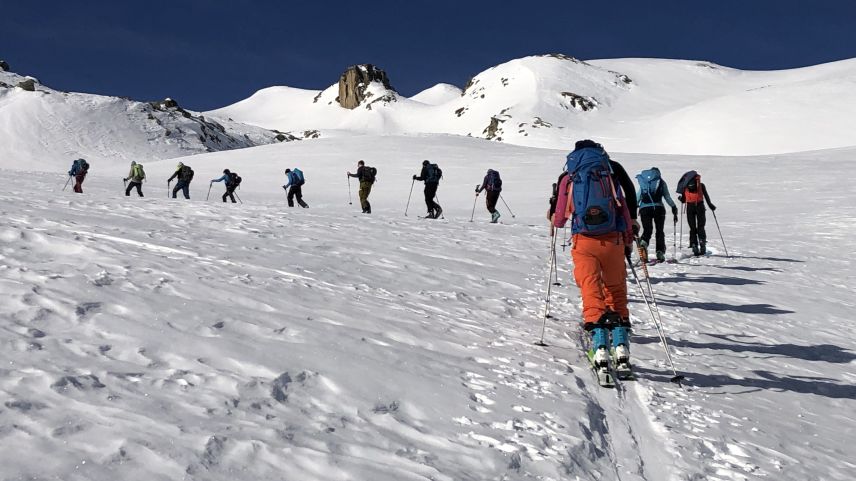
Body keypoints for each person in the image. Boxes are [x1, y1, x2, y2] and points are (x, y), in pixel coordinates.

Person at [553, 140, 638, 371]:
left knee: (590, 287)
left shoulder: (569, 175)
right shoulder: (611, 168)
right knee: (616, 288)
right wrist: (630, 233)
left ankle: (599, 344)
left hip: (584, 241)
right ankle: (621, 342)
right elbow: (627, 200)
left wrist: (555, 220)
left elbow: (559, 216)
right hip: (614, 239)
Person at [635, 167, 677, 262]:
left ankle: (643, 244)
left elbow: (638, 196)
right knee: (659, 231)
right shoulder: (661, 182)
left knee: (647, 229)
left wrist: (633, 207)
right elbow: (667, 196)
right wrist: (673, 207)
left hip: (644, 209)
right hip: (659, 208)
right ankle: (660, 252)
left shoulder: (645, 182)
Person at [678, 172, 716, 256]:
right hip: (700, 206)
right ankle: (702, 242)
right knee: (701, 226)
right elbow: (706, 196)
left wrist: (680, 199)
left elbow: (684, 200)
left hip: (690, 207)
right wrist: (710, 205)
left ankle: (694, 244)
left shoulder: (685, 186)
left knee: (692, 227)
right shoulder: (701, 185)